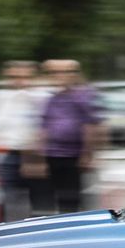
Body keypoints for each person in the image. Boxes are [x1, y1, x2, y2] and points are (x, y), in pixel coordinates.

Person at [0, 60, 44, 222]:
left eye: (24, 77)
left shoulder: (42, 97)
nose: (19, 81)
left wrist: (38, 159)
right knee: (8, 200)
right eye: (14, 77)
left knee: (37, 203)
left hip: (35, 156)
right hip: (6, 155)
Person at [38, 59, 102, 214]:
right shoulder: (52, 99)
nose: (60, 76)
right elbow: (44, 127)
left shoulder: (83, 96)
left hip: (74, 156)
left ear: (75, 74)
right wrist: (40, 157)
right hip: (53, 154)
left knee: (75, 199)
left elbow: (91, 126)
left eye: (66, 72)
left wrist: (87, 154)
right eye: (55, 73)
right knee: (57, 198)